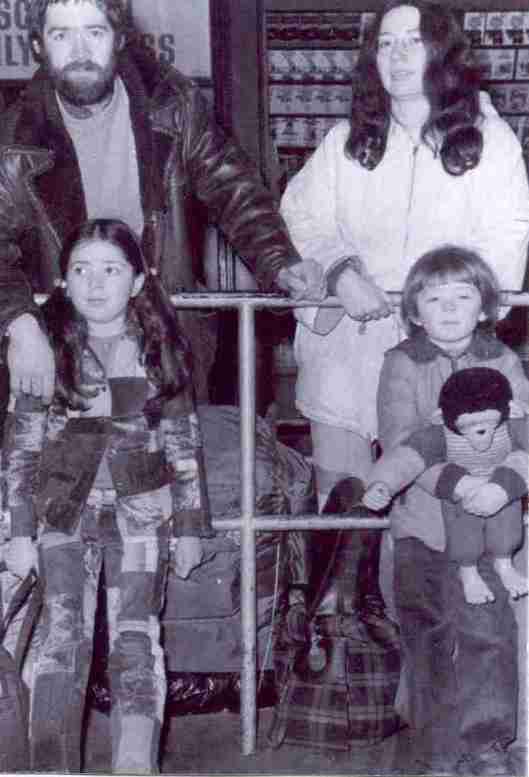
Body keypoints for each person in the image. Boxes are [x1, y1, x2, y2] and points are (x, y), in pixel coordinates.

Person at [279, 0, 529, 612]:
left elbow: (504, 248)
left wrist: (439, 309)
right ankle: (342, 650)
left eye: (411, 42)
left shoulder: (489, 144)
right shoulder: (346, 142)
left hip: (442, 360)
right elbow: (300, 214)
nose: (395, 56)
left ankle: (419, 655)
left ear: (443, 52)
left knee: (432, 511)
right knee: (344, 509)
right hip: (346, 352)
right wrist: (340, 269)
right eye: (385, 44)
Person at [0, 0, 323, 409]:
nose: (80, 51)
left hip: (165, 337)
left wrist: (281, 262)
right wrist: (20, 323)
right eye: (62, 35)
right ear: (38, 46)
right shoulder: (15, 139)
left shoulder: (172, 104)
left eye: (94, 32)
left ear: (120, 38)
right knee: (74, 451)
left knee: (172, 448)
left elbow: (232, 187)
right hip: (64, 343)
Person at [2, 218, 214, 774]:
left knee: (136, 637)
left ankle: (134, 764)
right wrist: (18, 532)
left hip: (141, 518)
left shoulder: (160, 350)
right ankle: (51, 765)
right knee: (61, 638)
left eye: (111, 270)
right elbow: (21, 449)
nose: (95, 283)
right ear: (63, 281)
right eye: (81, 270)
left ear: (138, 281)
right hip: (60, 520)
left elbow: (183, 440)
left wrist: (189, 526)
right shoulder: (44, 352)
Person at [361, 245, 529, 774]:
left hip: (488, 528)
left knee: (489, 632)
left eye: (463, 297)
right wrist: (458, 488)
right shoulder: (402, 363)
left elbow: (524, 433)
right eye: (435, 299)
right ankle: (436, 748)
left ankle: (487, 745)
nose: (450, 309)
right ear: (414, 312)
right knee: (428, 634)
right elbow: (400, 442)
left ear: (486, 308)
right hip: (421, 525)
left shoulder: (503, 361)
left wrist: (504, 485)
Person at [364, 363, 528, 605]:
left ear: (511, 410)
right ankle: (468, 570)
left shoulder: (515, 425)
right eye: (469, 427)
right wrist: (381, 484)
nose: (482, 435)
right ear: (441, 418)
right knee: (463, 524)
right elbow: (406, 457)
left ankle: (504, 563)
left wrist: (507, 483)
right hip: (462, 491)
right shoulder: (437, 434)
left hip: (502, 487)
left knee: (507, 522)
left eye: (488, 424)